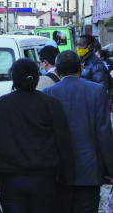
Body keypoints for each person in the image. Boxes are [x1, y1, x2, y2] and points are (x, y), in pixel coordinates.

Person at [0, 58, 75, 213]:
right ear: (37, 78)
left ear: (14, 79)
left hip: (10, 179)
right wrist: (68, 177)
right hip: (44, 179)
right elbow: (63, 141)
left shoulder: (2, 104)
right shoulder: (51, 104)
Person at [42, 50, 113, 213]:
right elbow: (104, 133)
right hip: (89, 170)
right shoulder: (97, 91)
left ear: (57, 71)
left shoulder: (48, 93)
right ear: (81, 68)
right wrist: (110, 168)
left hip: (58, 172)